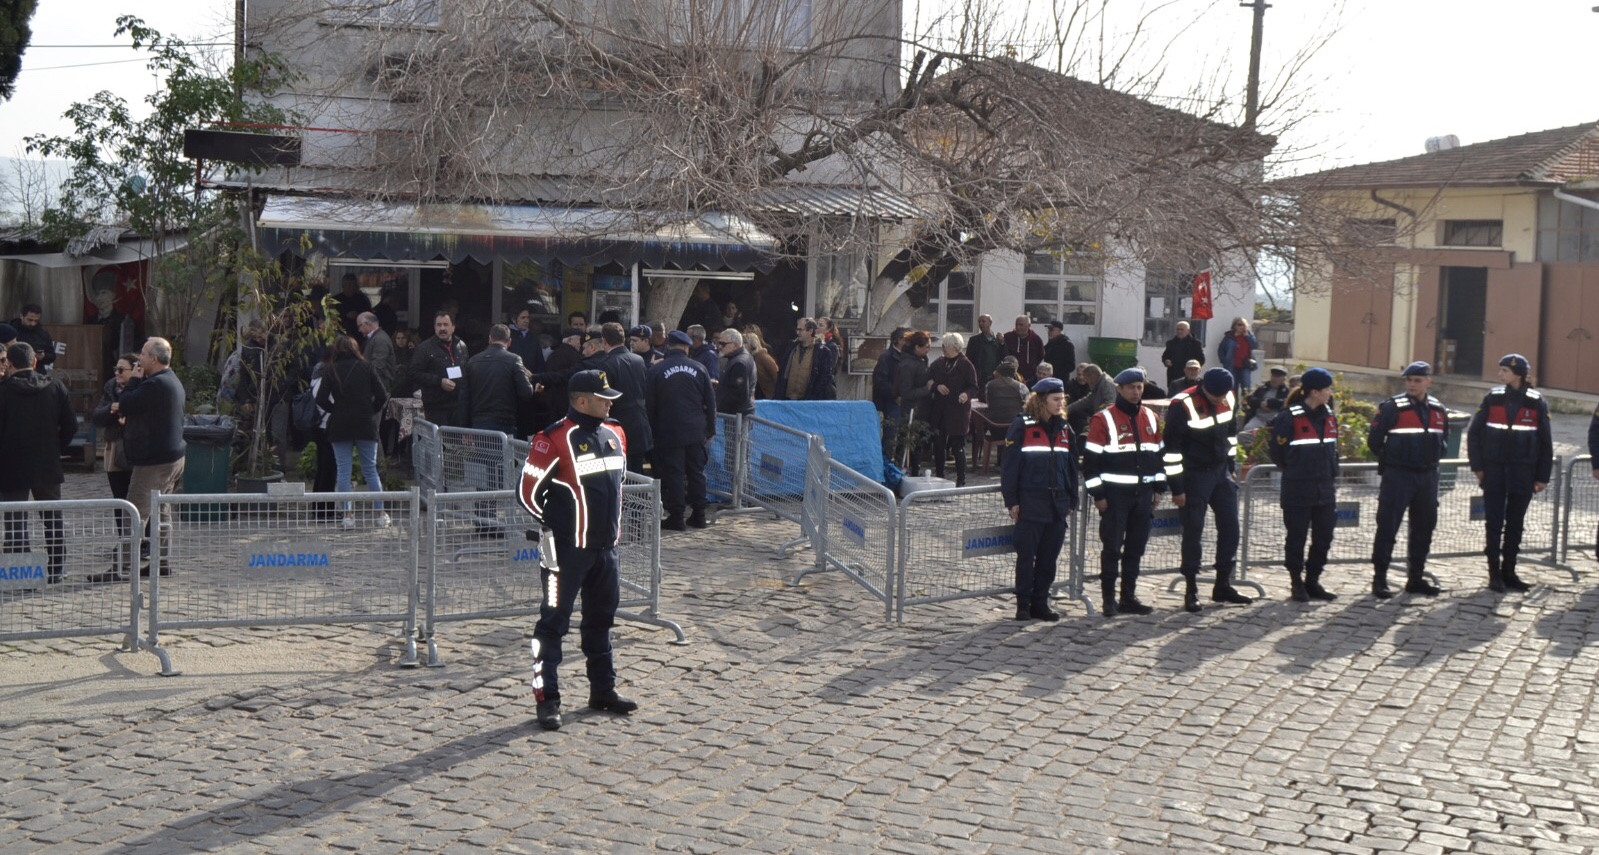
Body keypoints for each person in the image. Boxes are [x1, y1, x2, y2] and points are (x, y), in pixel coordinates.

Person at [518, 369, 638, 732]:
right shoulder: (551, 438)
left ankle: (603, 690)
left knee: (600, 623)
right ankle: (547, 699)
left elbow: (618, 486)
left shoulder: (616, 432)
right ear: (581, 400)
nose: (610, 402)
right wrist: (557, 529)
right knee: (552, 626)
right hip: (565, 554)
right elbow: (526, 494)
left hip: (607, 551)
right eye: (604, 398)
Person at [1164, 367, 1253, 613]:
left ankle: (1223, 584)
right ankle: (1191, 589)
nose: (1220, 400)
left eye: (1223, 395)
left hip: (1220, 471)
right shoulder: (1183, 404)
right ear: (1204, 387)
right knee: (1193, 531)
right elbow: (1171, 450)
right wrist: (1177, 487)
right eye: (1215, 396)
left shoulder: (1229, 396)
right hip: (1194, 474)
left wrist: (1232, 466)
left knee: (1231, 527)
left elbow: (1232, 435)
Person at [1083, 367, 1167, 616]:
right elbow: (1090, 463)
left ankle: (1128, 597)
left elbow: (1159, 457)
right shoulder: (1103, 418)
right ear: (1119, 389)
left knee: (1135, 548)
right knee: (1112, 548)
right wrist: (1098, 495)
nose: (1136, 391)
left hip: (1143, 496)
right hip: (1115, 497)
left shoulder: (1151, 417)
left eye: (1139, 387)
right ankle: (1109, 600)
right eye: (1131, 387)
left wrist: (1159, 488)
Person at [1467, 354, 1552, 594]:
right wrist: (1478, 467)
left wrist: (1542, 476)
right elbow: (1474, 434)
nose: (1500, 374)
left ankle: (1510, 572)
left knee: (1515, 525)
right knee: (1493, 524)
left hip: (1523, 472)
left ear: (1518, 374)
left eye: (1504, 370)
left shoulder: (1536, 401)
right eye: (1500, 370)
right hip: (1494, 471)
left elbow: (1546, 442)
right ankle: (1494, 573)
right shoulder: (1493, 398)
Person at [1000, 376, 1079, 621]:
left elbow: (1071, 467)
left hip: (1057, 505)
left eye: (1062, 400)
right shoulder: (1022, 426)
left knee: (1048, 559)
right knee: (1026, 558)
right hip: (1031, 503)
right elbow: (1010, 467)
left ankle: (1041, 602)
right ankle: (1023, 604)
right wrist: (1012, 501)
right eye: (1055, 400)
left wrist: (1072, 500)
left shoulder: (1065, 428)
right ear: (1042, 400)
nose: (1060, 404)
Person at [1367, 361, 1448, 599]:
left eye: (1417, 380)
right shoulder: (1393, 407)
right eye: (1409, 380)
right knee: (1388, 527)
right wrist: (1393, 460)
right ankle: (1379, 579)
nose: (1412, 384)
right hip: (1399, 475)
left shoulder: (1437, 408)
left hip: (1427, 476)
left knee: (1424, 528)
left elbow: (1444, 440)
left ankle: (1415, 578)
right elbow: (1375, 441)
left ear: (1428, 382)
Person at [0, 342, 77, 585]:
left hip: (10, 463)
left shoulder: (3, 391)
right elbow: (71, 425)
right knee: (52, 517)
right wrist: (57, 449)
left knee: (15, 519)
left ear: (9, 364)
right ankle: (56, 568)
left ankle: (22, 574)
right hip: (47, 462)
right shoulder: (55, 386)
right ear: (35, 362)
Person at [116, 337, 186, 576]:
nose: (138, 359)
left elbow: (126, 403)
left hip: (155, 460)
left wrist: (133, 380)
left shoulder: (154, 384)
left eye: (143, 355)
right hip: (171, 455)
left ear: (154, 359)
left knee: (134, 512)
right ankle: (161, 562)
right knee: (162, 511)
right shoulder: (168, 380)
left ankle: (125, 567)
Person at [1268, 368, 1339, 601]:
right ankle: (1296, 582)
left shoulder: (1329, 415)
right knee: (1296, 538)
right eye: (1327, 389)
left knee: (1323, 538)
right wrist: (1297, 469)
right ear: (1315, 392)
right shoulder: (1289, 417)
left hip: (1325, 489)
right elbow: (1278, 453)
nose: (1330, 393)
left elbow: (1332, 450)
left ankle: (1313, 581)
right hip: (1298, 488)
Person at [316, 335, 392, 530]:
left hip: (340, 424)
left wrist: (336, 409)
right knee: (370, 470)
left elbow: (321, 398)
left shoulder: (331, 369)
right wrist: (370, 409)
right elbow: (383, 395)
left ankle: (348, 515)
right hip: (365, 423)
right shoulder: (367, 367)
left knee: (343, 471)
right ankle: (380, 513)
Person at [647, 330, 717, 530]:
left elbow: (650, 405)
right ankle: (699, 514)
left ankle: (677, 516)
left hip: (668, 430)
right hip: (696, 430)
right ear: (686, 347)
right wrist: (710, 428)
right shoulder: (699, 368)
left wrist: (652, 430)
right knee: (696, 472)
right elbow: (711, 403)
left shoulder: (657, 370)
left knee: (675, 473)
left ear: (669, 346)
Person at [88, 353, 141, 582]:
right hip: (115, 446)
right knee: (119, 499)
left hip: (137, 449)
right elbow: (97, 416)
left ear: (134, 370)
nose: (117, 374)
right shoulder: (111, 387)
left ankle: (141, 544)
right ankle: (124, 543)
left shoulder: (143, 387)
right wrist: (113, 409)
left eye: (122, 370)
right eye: (116, 369)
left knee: (139, 499)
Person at [458, 324, 536, 434]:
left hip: (478, 422)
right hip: (505, 422)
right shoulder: (514, 360)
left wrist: (465, 428)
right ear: (509, 341)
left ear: (490, 339)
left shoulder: (473, 361)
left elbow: (464, 398)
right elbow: (526, 393)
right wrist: (530, 379)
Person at [598, 322, 653, 473]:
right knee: (637, 472)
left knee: (621, 473)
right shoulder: (638, 360)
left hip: (618, 425)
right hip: (639, 422)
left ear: (604, 341)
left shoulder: (606, 364)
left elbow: (605, 397)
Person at [928, 333, 978, 486]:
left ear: (956, 347)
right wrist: (936, 386)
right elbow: (928, 379)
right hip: (940, 409)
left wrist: (966, 394)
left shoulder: (966, 365)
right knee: (939, 444)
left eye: (946, 345)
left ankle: (961, 479)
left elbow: (974, 387)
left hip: (958, 411)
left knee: (957, 445)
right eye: (942, 345)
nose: (943, 348)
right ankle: (940, 474)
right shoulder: (938, 363)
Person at [408, 311, 470, 427]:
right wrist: (439, 381)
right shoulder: (424, 348)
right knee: (437, 443)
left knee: (455, 444)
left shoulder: (461, 346)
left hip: (458, 407)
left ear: (453, 327)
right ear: (434, 327)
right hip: (435, 407)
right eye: (439, 325)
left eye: (446, 325)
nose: (442, 328)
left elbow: (466, 371)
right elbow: (413, 373)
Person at [893, 331, 934, 472]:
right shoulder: (908, 364)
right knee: (907, 442)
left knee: (918, 444)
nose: (929, 349)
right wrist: (926, 389)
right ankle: (900, 472)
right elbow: (906, 392)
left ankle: (915, 470)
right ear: (917, 347)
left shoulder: (921, 360)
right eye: (927, 347)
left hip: (921, 409)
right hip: (911, 410)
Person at [776, 317, 837, 401]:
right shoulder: (791, 348)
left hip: (809, 402)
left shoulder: (823, 352)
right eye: (797, 329)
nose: (797, 332)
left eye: (801, 330)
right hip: (788, 400)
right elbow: (782, 372)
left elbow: (824, 379)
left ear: (811, 331)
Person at [533, 327, 586, 420]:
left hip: (553, 404)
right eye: (579, 340)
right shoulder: (576, 357)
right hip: (568, 403)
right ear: (570, 340)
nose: (580, 344)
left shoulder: (553, 355)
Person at [1066, 363, 1115, 438]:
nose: (1086, 381)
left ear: (1092, 376)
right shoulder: (1098, 385)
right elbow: (1085, 401)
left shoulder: (1106, 384)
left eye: (1086, 378)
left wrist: (1095, 419)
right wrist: (1066, 410)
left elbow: (1110, 404)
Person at [715, 329, 757, 418]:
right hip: (739, 413)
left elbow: (739, 395)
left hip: (738, 414)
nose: (719, 347)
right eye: (719, 343)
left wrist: (719, 407)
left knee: (738, 432)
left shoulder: (739, 363)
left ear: (734, 345)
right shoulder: (739, 358)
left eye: (723, 344)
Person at [356, 312, 398, 394]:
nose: (359, 330)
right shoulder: (376, 338)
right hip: (376, 385)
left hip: (379, 387)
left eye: (359, 326)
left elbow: (377, 366)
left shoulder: (380, 339)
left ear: (366, 324)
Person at [871, 327, 908, 417]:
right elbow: (880, 381)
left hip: (907, 401)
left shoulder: (909, 356)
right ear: (900, 340)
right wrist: (896, 395)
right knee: (893, 428)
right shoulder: (887, 357)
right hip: (892, 402)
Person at [9, 304, 56, 374]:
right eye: (30, 320)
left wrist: (43, 356)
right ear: (21, 316)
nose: (33, 323)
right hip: (13, 371)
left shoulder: (42, 334)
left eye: (36, 321)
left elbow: (52, 356)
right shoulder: (10, 330)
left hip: (37, 372)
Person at [967, 314, 1004, 400]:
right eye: (979, 322)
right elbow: (969, 360)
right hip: (980, 378)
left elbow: (1005, 357)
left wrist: (1002, 343)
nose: (981, 324)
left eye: (983, 321)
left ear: (990, 323)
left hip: (995, 377)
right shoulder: (974, 340)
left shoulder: (998, 340)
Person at [1217, 317, 1260, 390]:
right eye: (1239, 325)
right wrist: (1224, 360)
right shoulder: (1229, 336)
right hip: (1232, 366)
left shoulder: (1249, 335)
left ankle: (1245, 401)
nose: (1241, 327)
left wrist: (1248, 337)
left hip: (1245, 365)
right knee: (1232, 387)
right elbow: (1221, 349)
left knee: (1246, 386)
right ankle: (1234, 401)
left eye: (1244, 325)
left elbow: (1255, 345)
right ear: (1234, 326)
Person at [1160, 321, 1205, 389]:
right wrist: (1166, 361)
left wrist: (1193, 369)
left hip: (1189, 377)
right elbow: (1165, 356)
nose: (1179, 331)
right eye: (1178, 329)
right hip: (1173, 375)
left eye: (1182, 329)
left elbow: (1201, 359)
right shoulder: (1171, 343)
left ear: (1188, 330)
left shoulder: (1195, 344)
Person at [1001, 315, 1044, 383]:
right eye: (1017, 324)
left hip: (1029, 378)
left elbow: (1040, 355)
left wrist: (1032, 366)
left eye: (1021, 325)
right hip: (1011, 378)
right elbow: (1002, 354)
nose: (1018, 327)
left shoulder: (1036, 339)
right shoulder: (1008, 337)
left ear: (1028, 325)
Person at [332, 273, 373, 339]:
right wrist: (345, 315)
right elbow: (331, 318)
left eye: (353, 285)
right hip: (340, 335)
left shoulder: (362, 299)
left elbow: (370, 316)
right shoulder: (335, 301)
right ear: (343, 286)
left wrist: (359, 315)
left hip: (359, 335)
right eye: (348, 285)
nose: (351, 287)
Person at [510, 309, 548, 374]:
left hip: (530, 378)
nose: (526, 321)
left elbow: (540, 361)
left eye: (528, 318)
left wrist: (537, 378)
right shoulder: (507, 335)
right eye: (523, 318)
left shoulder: (533, 337)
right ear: (514, 319)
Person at [746, 331, 779, 400]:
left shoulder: (762, 356)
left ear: (752, 345)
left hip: (769, 395)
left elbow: (776, 373)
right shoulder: (749, 358)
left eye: (745, 342)